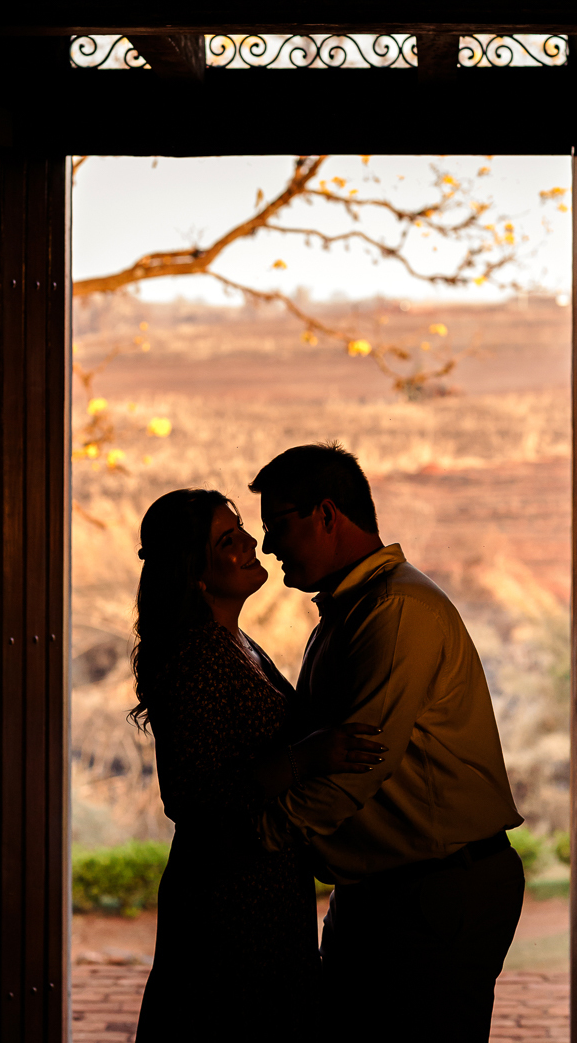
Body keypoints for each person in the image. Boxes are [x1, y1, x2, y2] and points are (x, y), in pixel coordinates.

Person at [248, 442, 526, 1043]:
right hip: (387, 892)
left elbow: (357, 768)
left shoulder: (396, 609)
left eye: (277, 525)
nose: (268, 546)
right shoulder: (355, 608)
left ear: (327, 514)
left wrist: (254, 835)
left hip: (433, 894)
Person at [131, 488, 385, 1043]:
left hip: (264, 882)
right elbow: (192, 794)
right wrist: (307, 756)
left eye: (241, 528)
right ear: (196, 575)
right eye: (227, 540)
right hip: (229, 894)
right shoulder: (198, 655)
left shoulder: (235, 642)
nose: (251, 543)